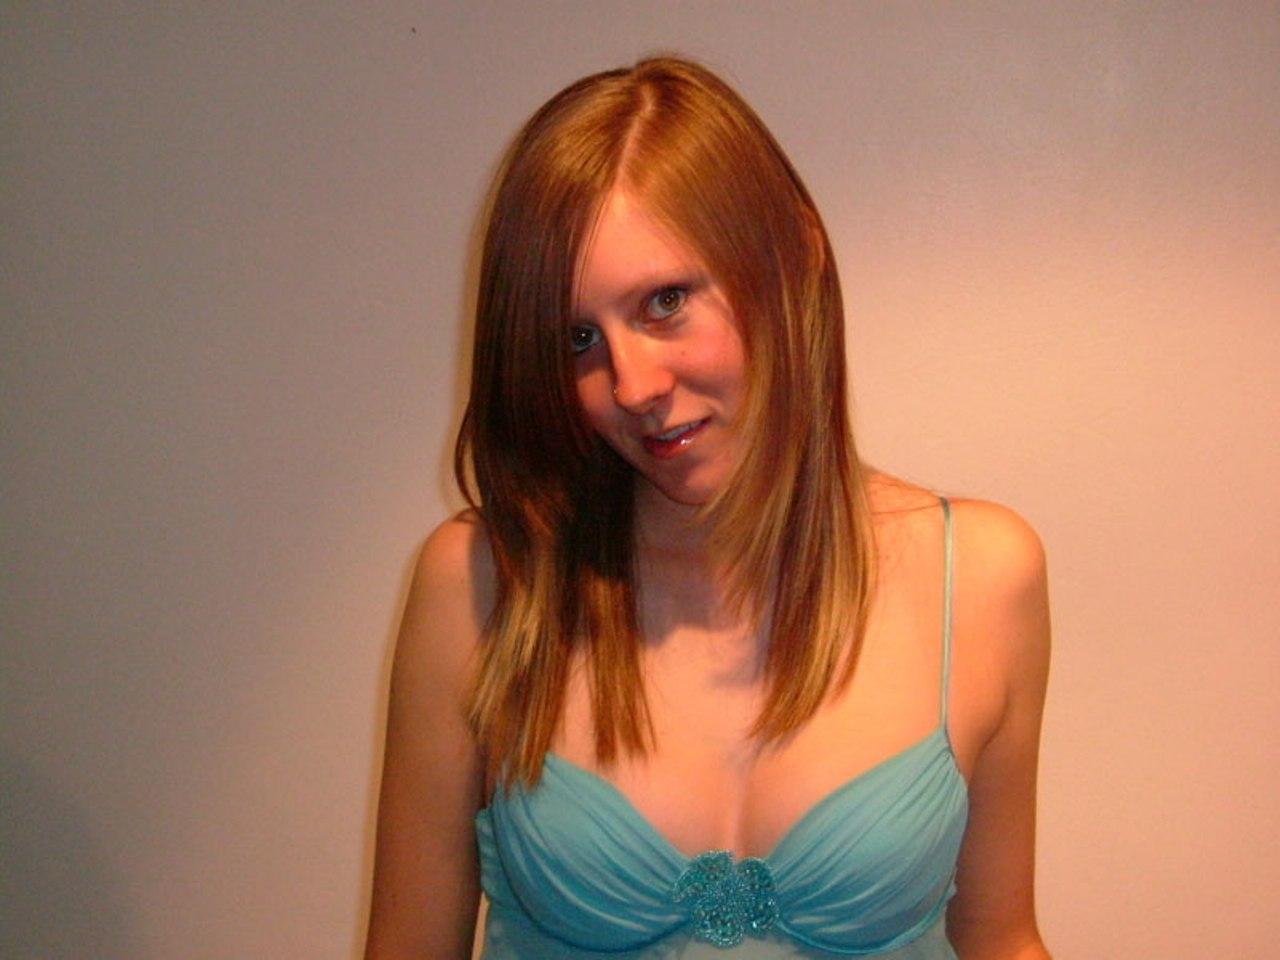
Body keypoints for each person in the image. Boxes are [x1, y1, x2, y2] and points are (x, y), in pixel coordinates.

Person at [364, 57, 1053, 960]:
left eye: (665, 302)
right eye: (578, 338)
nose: (632, 385)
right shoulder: (483, 588)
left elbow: (1002, 938)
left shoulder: (984, 576)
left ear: (794, 255)